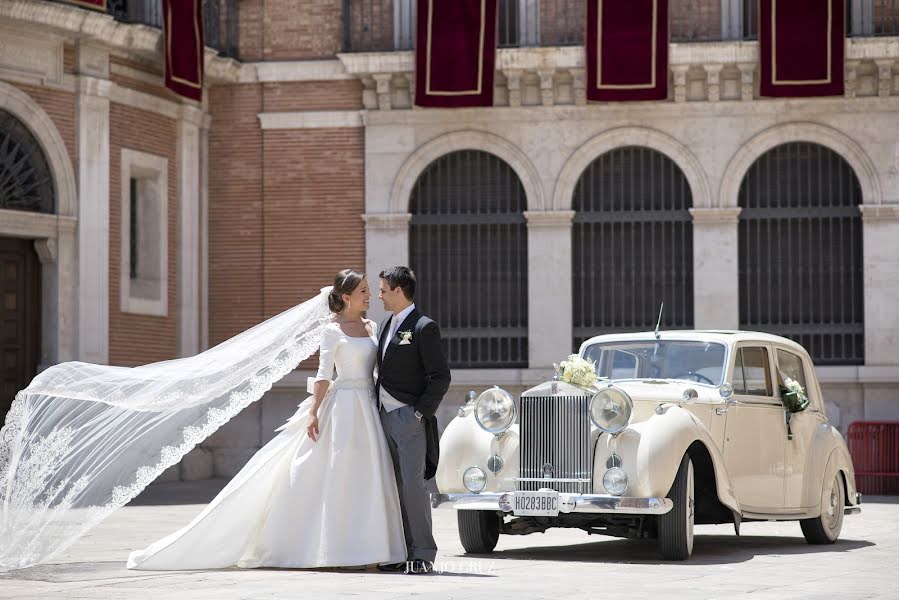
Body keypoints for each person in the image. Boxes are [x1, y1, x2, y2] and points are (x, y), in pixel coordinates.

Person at [126, 269, 407, 570]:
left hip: (368, 406)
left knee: (368, 475)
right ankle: (334, 550)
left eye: (368, 289)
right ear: (346, 297)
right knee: (338, 476)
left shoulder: (373, 326)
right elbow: (324, 375)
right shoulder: (331, 330)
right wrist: (313, 413)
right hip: (342, 409)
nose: (369, 296)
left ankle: (370, 548)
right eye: (363, 291)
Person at [376, 266, 451, 574]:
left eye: (383, 289)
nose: (379, 294)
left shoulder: (424, 327)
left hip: (408, 419)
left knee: (413, 487)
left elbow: (440, 377)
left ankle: (422, 554)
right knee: (392, 486)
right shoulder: (384, 324)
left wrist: (419, 413)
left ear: (398, 291)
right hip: (382, 418)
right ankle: (399, 550)